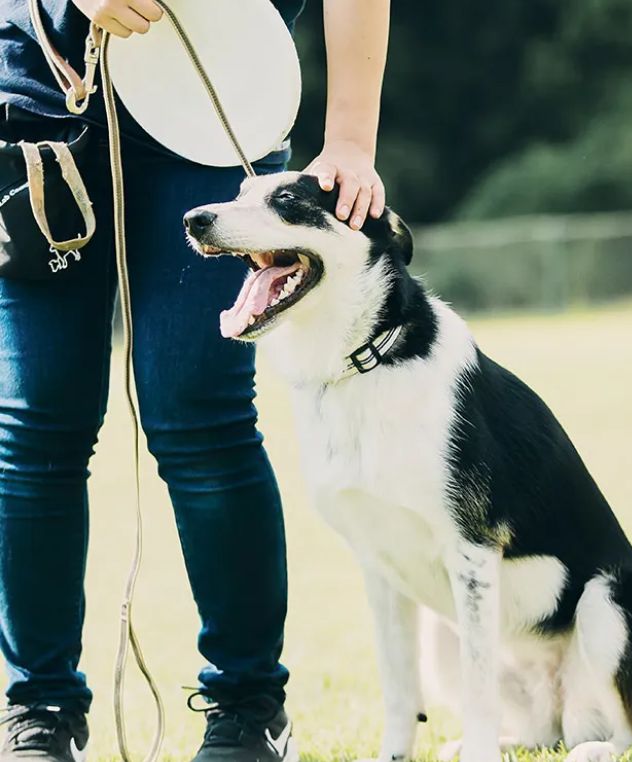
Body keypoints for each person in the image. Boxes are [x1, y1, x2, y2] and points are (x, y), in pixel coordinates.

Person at [0, 1, 389, 761]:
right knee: (34, 427)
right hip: (40, 95)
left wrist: (348, 132)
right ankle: (38, 711)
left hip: (216, 95)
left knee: (199, 417)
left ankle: (248, 708)